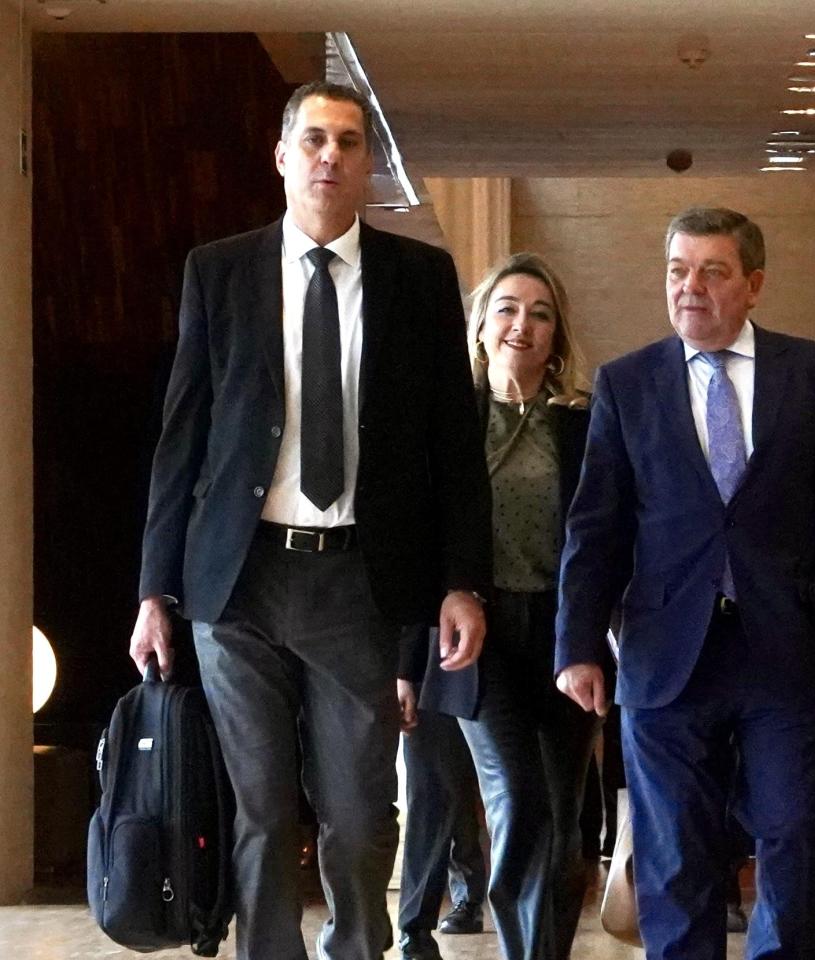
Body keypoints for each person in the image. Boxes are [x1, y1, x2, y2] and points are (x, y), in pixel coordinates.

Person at [129, 81, 490, 960]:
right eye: (316, 139)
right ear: (283, 156)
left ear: (369, 166)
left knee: (359, 812)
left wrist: (461, 582)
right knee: (258, 810)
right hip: (238, 579)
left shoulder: (418, 280)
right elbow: (182, 439)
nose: (331, 156)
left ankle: (355, 948)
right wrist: (154, 591)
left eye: (350, 142)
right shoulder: (220, 271)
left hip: (358, 581)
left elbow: (454, 443)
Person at [555, 206, 815, 960]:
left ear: (753, 284)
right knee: (675, 850)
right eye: (677, 271)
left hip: (784, 648)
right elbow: (596, 527)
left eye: (712, 272)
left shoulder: (812, 373)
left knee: (795, 833)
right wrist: (577, 645)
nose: (691, 287)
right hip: (665, 652)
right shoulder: (627, 383)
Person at [400, 252, 604, 960]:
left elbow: (605, 538)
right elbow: (416, 548)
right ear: (482, 325)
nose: (523, 324)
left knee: (566, 820)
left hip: (563, 636)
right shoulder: (450, 420)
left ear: (557, 336)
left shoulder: (582, 424)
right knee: (519, 798)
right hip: (476, 639)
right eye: (508, 309)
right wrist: (406, 662)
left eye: (541, 314)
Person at [396, 709, 488, 959]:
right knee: (431, 788)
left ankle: (469, 897)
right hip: (425, 690)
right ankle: (415, 929)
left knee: (462, 787)